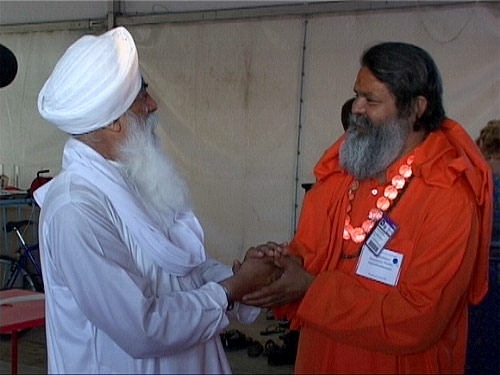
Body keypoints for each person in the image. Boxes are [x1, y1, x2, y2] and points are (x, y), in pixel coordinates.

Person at [35, 26, 280, 374]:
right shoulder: (76, 209)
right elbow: (141, 328)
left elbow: (181, 271)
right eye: (142, 97)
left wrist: (242, 275)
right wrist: (231, 290)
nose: (153, 106)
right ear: (114, 123)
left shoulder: (132, 175)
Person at [242, 42, 492, 374]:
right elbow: (310, 253)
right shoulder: (341, 174)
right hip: (321, 356)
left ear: (416, 108)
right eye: (357, 95)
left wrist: (311, 288)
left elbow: (419, 319)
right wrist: (277, 266)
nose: (356, 109)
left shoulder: (448, 198)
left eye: (371, 100)